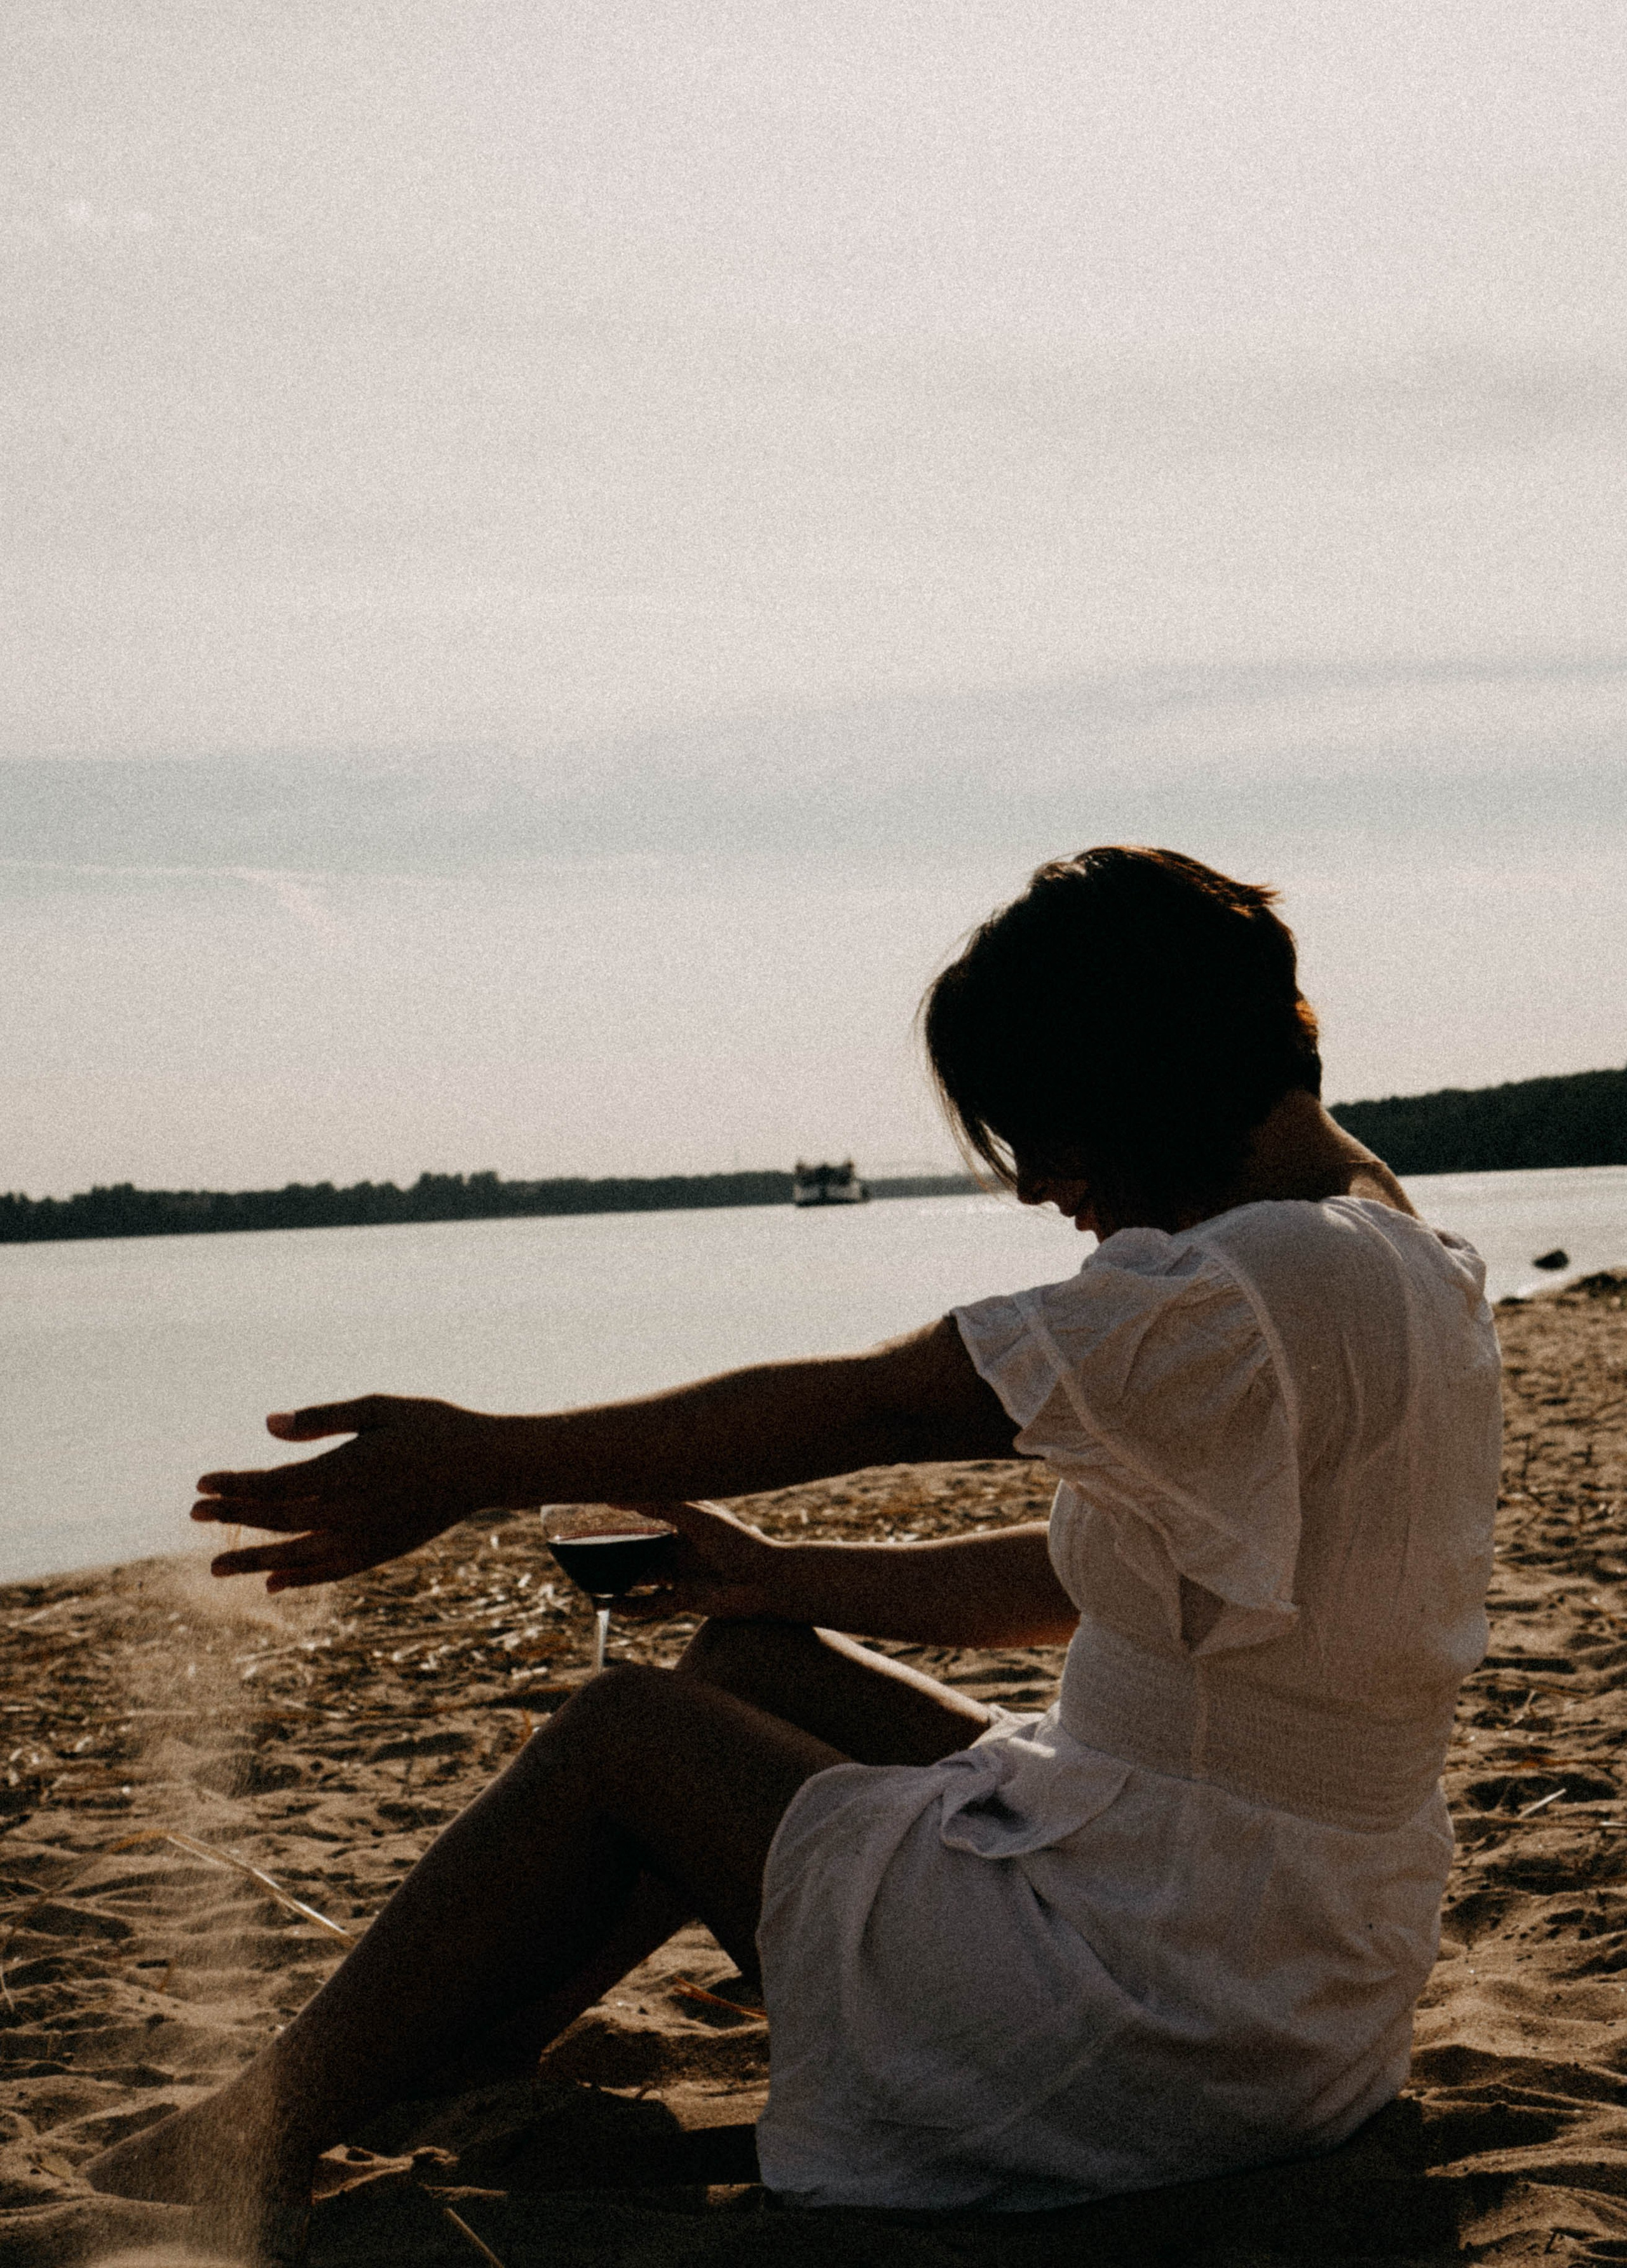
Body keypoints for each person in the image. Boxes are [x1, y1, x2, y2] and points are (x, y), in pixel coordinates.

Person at [90, 845, 1502, 2247]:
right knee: (749, 1661)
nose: (1036, 1186)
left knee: (623, 1732)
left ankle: (260, 2126)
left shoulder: (1251, 1284)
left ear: (1136, 1077)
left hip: (1164, 2010)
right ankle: (459, 2048)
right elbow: (1088, 1581)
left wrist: (483, 1461)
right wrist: (778, 1575)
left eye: (1047, 1134)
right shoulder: (1395, 1253)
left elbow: (874, 1404)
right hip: (1285, 1975)